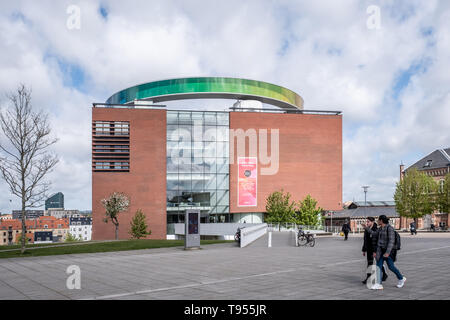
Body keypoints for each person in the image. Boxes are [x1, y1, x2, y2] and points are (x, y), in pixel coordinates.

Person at [364, 215, 406, 290]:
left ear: (381, 221)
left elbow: (391, 241)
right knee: (378, 267)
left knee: (391, 267)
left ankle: (401, 278)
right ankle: (379, 284)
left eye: (378, 220)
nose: (377, 221)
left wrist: (387, 252)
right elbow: (374, 234)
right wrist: (366, 228)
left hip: (387, 252)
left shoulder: (390, 229)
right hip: (380, 251)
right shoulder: (380, 228)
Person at [362, 217, 387, 284]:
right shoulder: (367, 229)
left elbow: (377, 241)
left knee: (378, 263)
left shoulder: (376, 229)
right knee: (369, 263)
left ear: (372, 222)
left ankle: (384, 274)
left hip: (375, 249)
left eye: (368, 222)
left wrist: (375, 251)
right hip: (369, 249)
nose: (367, 223)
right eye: (366, 221)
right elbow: (365, 240)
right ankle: (368, 278)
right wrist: (364, 250)